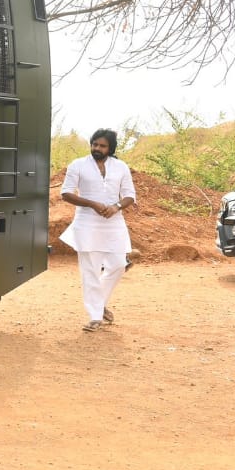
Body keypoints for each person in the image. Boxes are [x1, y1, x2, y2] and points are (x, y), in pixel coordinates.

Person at [59, 128, 137, 332]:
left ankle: (99, 303)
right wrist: (92, 204)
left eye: (102, 146)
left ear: (110, 148)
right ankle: (95, 316)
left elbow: (130, 195)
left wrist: (116, 207)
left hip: (114, 222)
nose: (97, 148)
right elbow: (66, 193)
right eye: (95, 144)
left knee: (119, 265)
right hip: (86, 223)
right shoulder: (78, 165)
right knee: (90, 271)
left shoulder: (120, 167)